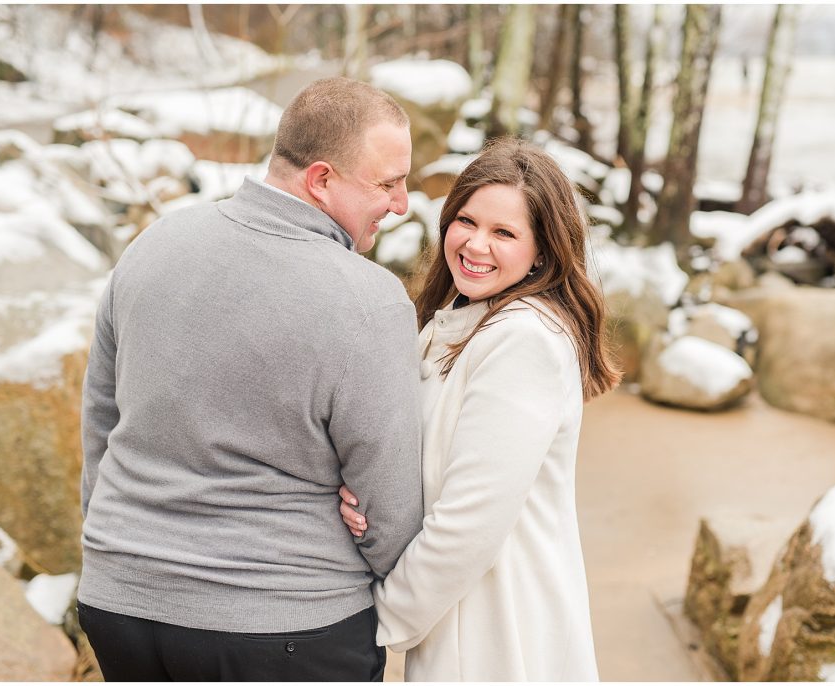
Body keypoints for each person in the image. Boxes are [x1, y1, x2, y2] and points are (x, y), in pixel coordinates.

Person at [77, 77, 425, 682]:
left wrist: (121, 549)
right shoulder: (370, 301)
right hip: (284, 623)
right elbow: (389, 504)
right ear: (321, 180)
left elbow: (100, 427)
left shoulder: (151, 246)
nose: (401, 203)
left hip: (118, 603)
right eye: (388, 183)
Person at [340, 137, 621, 681]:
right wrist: (365, 496)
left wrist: (377, 620)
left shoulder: (524, 341)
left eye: (505, 233)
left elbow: (470, 522)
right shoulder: (455, 320)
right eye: (466, 221)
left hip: (501, 628)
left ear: (542, 251)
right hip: (456, 614)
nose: (475, 245)